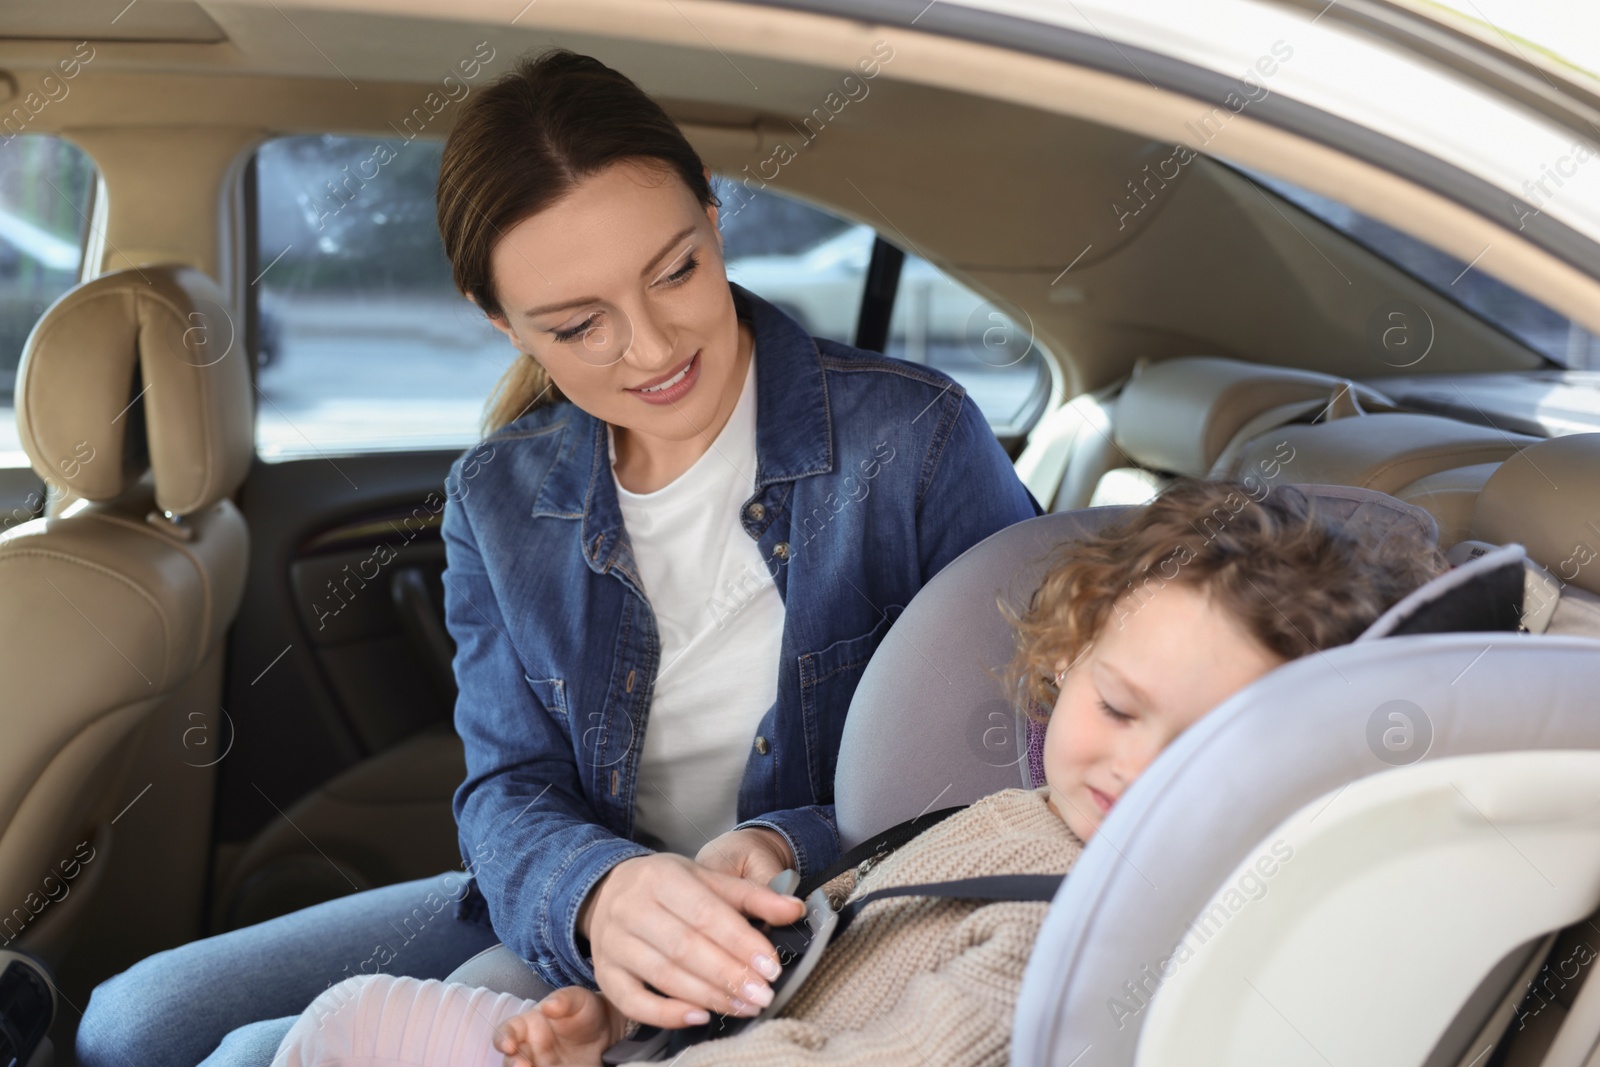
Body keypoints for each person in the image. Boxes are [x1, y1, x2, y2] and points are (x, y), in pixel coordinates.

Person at [74, 47, 1040, 1067]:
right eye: (578, 326)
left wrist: (787, 845)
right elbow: (507, 787)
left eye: (676, 270)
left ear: (712, 217)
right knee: (129, 1024)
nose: (654, 347)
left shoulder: (916, 439)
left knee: (252, 1054)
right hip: (582, 900)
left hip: (834, 900)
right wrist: (599, 892)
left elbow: (1011, 752)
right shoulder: (494, 498)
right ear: (501, 323)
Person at [267, 477, 1448, 1067]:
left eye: (1198, 746)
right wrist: (618, 1021)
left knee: (343, 1023)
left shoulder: (1098, 923)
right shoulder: (1019, 813)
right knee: (346, 1017)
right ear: (1067, 660)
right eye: (1118, 706)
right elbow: (823, 941)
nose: (1133, 765)